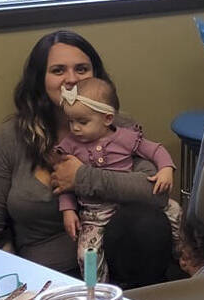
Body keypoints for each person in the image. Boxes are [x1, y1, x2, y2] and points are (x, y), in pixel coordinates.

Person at [0, 29, 176, 280]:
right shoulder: (13, 136)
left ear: (95, 76)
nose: (71, 79)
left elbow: (153, 193)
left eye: (81, 69)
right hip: (44, 274)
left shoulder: (116, 127)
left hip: (118, 267)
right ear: (40, 80)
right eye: (58, 70)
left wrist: (81, 177)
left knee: (147, 222)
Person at [55, 76, 176, 276]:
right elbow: (64, 182)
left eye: (82, 122)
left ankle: (188, 258)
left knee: (176, 212)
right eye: (71, 121)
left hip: (127, 205)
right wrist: (68, 210)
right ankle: (96, 291)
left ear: (107, 118)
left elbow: (155, 150)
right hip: (94, 215)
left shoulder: (126, 137)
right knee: (87, 256)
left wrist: (166, 168)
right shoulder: (70, 145)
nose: (75, 128)